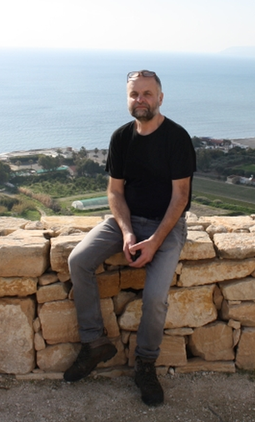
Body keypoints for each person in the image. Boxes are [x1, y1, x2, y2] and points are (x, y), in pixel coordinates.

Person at [63, 70, 196, 406]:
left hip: (166, 225)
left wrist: (153, 241)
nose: (141, 100)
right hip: (126, 220)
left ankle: (145, 364)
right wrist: (126, 232)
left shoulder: (177, 138)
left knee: (154, 297)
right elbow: (114, 192)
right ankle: (94, 343)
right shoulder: (121, 138)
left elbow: (180, 198)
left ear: (160, 98)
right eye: (135, 94)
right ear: (128, 99)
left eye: (147, 94)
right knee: (78, 261)